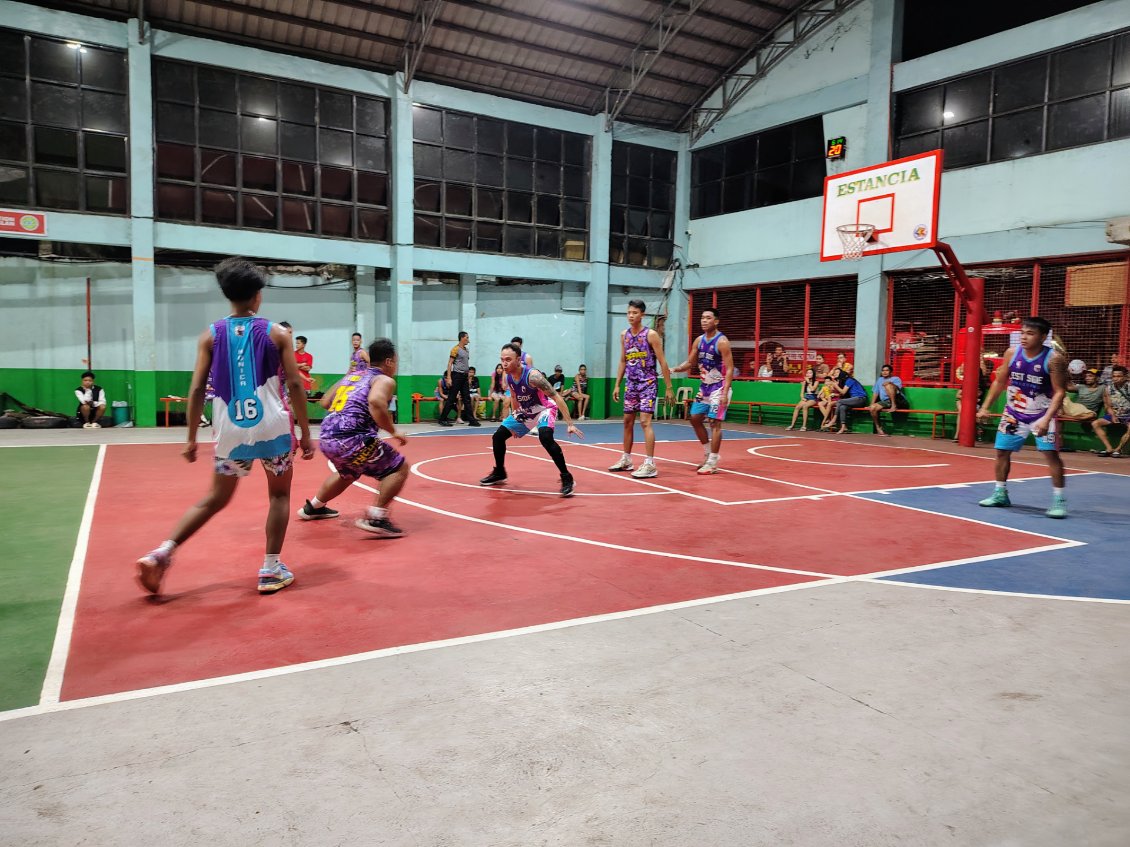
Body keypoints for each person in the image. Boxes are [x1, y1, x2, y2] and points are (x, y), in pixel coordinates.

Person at [136, 258, 314, 596]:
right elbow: (293, 383)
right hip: (274, 428)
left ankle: (162, 553)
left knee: (214, 498)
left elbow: (196, 389)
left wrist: (190, 438)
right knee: (278, 495)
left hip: (230, 429)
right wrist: (305, 433)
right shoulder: (277, 333)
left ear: (227, 295)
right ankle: (270, 568)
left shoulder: (211, 335)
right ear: (258, 295)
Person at [297, 338, 409, 535]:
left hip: (326, 438)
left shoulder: (352, 376)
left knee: (348, 473)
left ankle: (314, 507)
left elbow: (324, 402)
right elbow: (375, 402)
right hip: (351, 440)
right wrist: (394, 431)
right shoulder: (384, 379)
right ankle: (377, 518)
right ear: (389, 362)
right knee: (399, 467)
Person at [977, 316, 1068, 518]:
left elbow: (1060, 391)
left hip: (1042, 414)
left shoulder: (1054, 359)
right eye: (1023, 333)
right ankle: (1000, 493)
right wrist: (985, 407)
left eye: (1030, 333)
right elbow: (999, 383)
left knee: (1051, 455)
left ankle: (1059, 500)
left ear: (1043, 336)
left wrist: (1047, 419)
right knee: (1001, 452)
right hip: (1013, 414)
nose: (1024, 337)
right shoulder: (1011, 353)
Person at [479, 343, 583, 497]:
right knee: (498, 436)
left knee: (545, 437)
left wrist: (570, 424)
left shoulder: (533, 376)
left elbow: (556, 396)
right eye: (502, 359)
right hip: (527, 410)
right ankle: (500, 472)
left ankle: (566, 477)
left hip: (544, 408)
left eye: (508, 359)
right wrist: (516, 421)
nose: (504, 363)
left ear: (518, 359)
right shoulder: (508, 376)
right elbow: (514, 397)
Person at [608, 300, 674, 478]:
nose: (631, 315)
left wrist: (669, 387)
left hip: (648, 384)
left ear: (642, 315)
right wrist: (617, 384)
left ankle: (650, 463)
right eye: (629, 312)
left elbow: (663, 361)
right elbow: (623, 360)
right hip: (631, 385)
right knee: (627, 422)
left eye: (635, 313)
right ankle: (627, 459)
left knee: (645, 422)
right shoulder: (624, 335)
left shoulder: (651, 335)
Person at [673, 307, 733, 473]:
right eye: (702, 318)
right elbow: (690, 362)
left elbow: (729, 368)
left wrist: (725, 393)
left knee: (715, 422)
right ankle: (707, 453)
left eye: (708, 318)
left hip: (719, 387)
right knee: (695, 418)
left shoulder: (722, 342)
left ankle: (713, 461)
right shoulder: (699, 340)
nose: (704, 321)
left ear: (716, 321)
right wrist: (676, 369)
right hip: (704, 387)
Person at [438, 331, 480, 427]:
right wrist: (449, 377)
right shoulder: (455, 349)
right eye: (467, 338)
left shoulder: (466, 350)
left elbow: (465, 364)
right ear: (462, 338)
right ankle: (442, 419)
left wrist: (468, 377)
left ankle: (471, 420)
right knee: (451, 398)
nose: (468, 340)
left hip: (465, 376)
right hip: (456, 376)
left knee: (467, 398)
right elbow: (450, 363)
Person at [1092, 365, 1130, 457]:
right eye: (1114, 376)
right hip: (1115, 414)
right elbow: (1108, 405)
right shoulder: (1108, 388)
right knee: (1095, 423)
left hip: (1128, 415)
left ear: (1125, 377)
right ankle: (1109, 448)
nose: (1116, 378)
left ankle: (1118, 449)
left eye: (1119, 376)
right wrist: (1113, 415)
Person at [868, 363, 906, 436]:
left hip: (898, 400)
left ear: (890, 372)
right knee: (873, 408)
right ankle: (879, 428)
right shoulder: (879, 380)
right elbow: (876, 393)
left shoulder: (896, 379)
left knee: (888, 385)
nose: (884, 372)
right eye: (883, 370)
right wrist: (871, 404)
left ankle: (893, 406)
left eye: (886, 370)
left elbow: (898, 389)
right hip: (886, 401)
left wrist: (890, 383)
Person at [832, 368, 869, 434]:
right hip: (854, 400)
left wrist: (836, 386)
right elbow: (843, 394)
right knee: (842, 407)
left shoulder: (849, 380)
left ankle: (834, 420)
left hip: (860, 399)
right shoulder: (846, 382)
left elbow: (843, 392)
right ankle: (843, 427)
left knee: (839, 402)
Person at [787, 366, 820, 431]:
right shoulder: (804, 382)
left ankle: (804, 426)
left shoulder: (816, 382)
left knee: (805, 407)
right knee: (797, 407)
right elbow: (802, 393)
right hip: (806, 397)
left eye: (810, 373)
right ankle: (792, 425)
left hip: (813, 398)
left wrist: (808, 382)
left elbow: (813, 389)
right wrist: (802, 398)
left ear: (813, 374)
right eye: (807, 373)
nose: (808, 374)